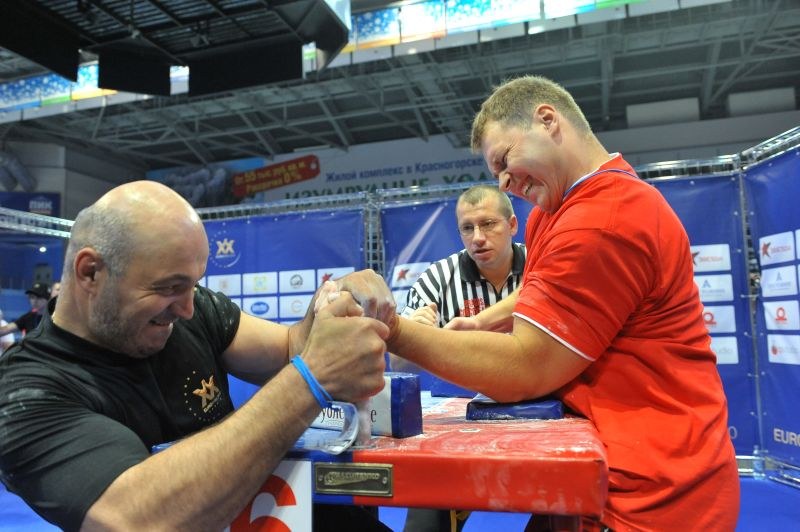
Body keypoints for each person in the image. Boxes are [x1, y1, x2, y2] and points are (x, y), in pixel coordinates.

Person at [385, 75, 740, 531]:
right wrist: (481, 324)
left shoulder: (601, 221)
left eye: (504, 161)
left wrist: (394, 330)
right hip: (598, 474)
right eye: (495, 174)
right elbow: (541, 291)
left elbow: (526, 368)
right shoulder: (554, 215)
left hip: (652, 495)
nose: (505, 182)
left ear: (547, 120)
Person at [0, 181, 397, 531]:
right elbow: (143, 520)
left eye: (193, 285)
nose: (187, 308)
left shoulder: (189, 310)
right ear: (90, 273)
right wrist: (312, 379)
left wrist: (332, 304)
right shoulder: (25, 394)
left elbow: (291, 347)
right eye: (170, 287)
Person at [391, 184, 525, 532]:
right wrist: (412, 336)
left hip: (540, 409)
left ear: (512, 225)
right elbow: (397, 365)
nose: (478, 237)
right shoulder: (437, 277)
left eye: (488, 224)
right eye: (468, 228)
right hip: (461, 417)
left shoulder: (542, 265)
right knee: (424, 521)